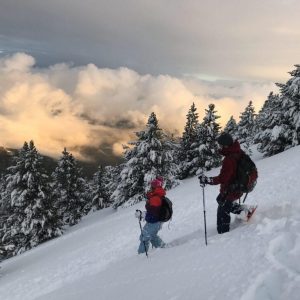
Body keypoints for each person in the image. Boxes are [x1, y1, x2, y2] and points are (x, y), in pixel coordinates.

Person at [199, 132, 254, 234]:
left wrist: (207, 180)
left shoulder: (229, 159)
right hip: (237, 186)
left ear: (225, 145)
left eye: (221, 145)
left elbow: (223, 178)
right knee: (221, 202)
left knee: (223, 209)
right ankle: (245, 211)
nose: (220, 147)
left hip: (232, 188)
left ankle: (224, 234)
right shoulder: (237, 151)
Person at [136, 177, 166, 254]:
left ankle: (141, 257)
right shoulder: (157, 195)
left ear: (155, 187)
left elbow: (153, 214)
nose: (150, 187)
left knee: (144, 237)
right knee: (152, 236)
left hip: (154, 222)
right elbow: (154, 211)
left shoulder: (155, 198)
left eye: (152, 186)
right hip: (157, 222)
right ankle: (163, 248)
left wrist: (143, 215)